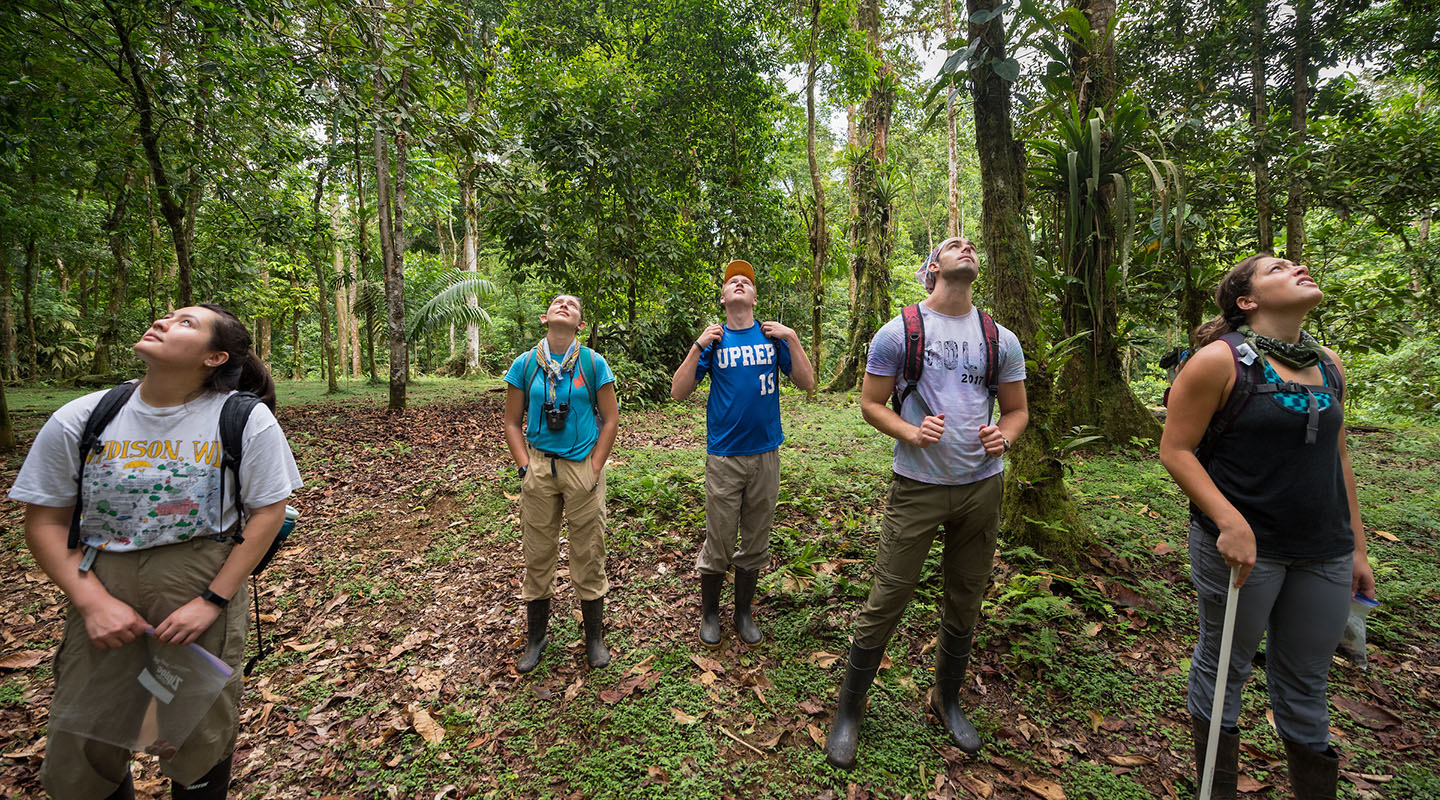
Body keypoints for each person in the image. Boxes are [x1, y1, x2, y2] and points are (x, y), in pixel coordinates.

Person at [10, 305, 303, 800]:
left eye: (187, 322)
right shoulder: (84, 416)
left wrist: (211, 600)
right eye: (168, 315)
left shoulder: (242, 419)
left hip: (199, 575)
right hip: (103, 577)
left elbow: (268, 515)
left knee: (196, 727)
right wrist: (92, 603)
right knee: (85, 732)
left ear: (215, 357)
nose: (165, 321)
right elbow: (44, 520)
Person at [1159, 254, 1374, 800]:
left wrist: (1357, 548)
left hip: (1323, 549)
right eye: (1278, 268)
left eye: (1299, 263)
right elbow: (1176, 449)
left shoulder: (1328, 363)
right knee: (1225, 663)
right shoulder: (1217, 361)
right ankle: (1216, 787)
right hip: (1241, 550)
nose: (1299, 267)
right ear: (1247, 302)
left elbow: (1338, 458)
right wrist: (1229, 520)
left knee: (1307, 678)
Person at [823, 236, 1029, 770]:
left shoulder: (999, 338)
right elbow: (871, 403)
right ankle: (850, 707)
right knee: (889, 594)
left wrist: (1004, 437)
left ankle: (947, 698)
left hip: (983, 485)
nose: (965, 245)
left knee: (965, 596)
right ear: (933, 267)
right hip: (917, 485)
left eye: (970, 244)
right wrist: (911, 432)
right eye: (950, 245)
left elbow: (1016, 412)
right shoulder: (899, 333)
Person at [669, 259, 815, 648]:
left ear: (753, 297)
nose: (739, 283)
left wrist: (794, 338)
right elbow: (678, 391)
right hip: (724, 456)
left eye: (746, 282)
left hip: (766, 453)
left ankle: (744, 612)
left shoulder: (772, 337)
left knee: (756, 538)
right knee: (718, 538)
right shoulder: (714, 342)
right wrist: (698, 343)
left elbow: (808, 382)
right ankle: (710, 613)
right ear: (723, 297)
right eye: (732, 281)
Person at [503, 294, 619, 672]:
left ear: (580, 324)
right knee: (538, 554)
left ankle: (594, 639)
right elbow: (511, 421)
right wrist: (525, 468)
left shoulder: (592, 363)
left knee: (588, 552)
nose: (564, 305)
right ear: (545, 318)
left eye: (572, 304)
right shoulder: (525, 364)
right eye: (557, 302)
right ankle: (536, 638)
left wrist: (595, 466)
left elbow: (611, 418)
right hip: (539, 468)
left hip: (582, 468)